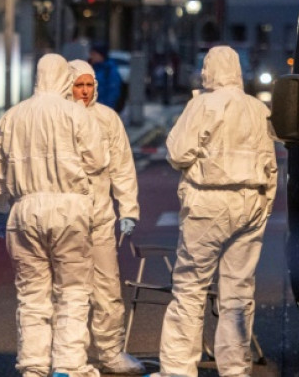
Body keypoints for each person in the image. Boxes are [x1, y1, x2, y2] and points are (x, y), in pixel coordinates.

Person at [149, 45, 278, 377]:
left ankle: (178, 369)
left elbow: (178, 153)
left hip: (208, 203)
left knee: (190, 288)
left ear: (209, 70)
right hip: (251, 202)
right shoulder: (257, 108)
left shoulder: (202, 105)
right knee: (238, 292)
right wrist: (265, 205)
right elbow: (271, 164)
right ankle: (235, 368)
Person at [0, 53, 109, 377]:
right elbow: (97, 161)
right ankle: (68, 365)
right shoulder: (76, 114)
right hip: (70, 208)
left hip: (24, 209)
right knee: (73, 290)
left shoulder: (13, 116)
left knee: (31, 293)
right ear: (65, 78)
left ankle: (33, 366)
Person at [68, 59, 146, 375]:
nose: (85, 91)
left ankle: (110, 352)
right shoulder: (56, 118)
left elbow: (122, 167)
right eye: (79, 85)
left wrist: (128, 210)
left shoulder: (107, 118)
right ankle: (68, 355)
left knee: (107, 287)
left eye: (89, 85)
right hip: (66, 217)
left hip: (99, 215)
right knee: (67, 290)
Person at [88, 42, 123, 111]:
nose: (92, 57)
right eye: (91, 54)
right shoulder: (91, 67)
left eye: (94, 54)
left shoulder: (109, 69)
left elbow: (113, 91)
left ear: (101, 55)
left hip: (103, 109)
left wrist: (105, 108)